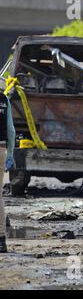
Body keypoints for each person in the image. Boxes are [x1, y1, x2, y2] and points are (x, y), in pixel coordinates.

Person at [0, 91, 15, 253]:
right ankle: (1, 241)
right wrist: (10, 153)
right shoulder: (3, 98)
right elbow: (11, 130)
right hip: (1, 149)